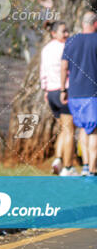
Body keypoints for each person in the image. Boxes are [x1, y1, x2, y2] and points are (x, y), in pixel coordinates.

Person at [61, 11, 97, 177]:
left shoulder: (71, 40)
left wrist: (63, 89)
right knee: (94, 131)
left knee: (83, 129)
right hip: (92, 93)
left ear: (83, 23)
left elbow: (63, 67)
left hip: (75, 94)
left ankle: (85, 166)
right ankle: (93, 170)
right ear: (95, 24)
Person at [40, 20, 77, 176]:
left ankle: (58, 160)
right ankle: (68, 168)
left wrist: (45, 90)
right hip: (64, 91)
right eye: (64, 31)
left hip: (51, 93)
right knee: (69, 130)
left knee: (63, 129)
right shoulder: (65, 47)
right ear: (54, 33)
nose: (67, 34)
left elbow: (43, 71)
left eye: (67, 31)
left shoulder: (46, 49)